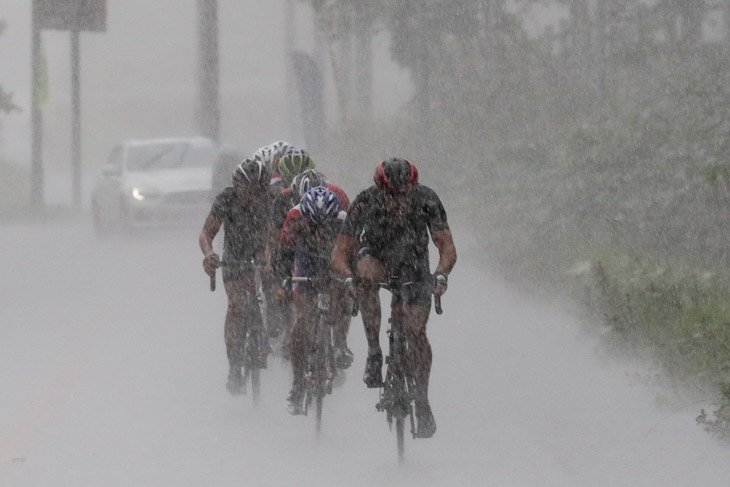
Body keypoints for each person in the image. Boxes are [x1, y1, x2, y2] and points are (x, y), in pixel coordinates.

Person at [330, 158, 457, 438]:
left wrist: (441, 274)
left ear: (413, 187)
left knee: (416, 332)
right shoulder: (366, 201)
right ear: (380, 190)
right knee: (366, 275)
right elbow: (340, 251)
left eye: (405, 194)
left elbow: (446, 245)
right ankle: (374, 351)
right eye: (392, 195)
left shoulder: (426, 199)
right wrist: (348, 278)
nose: (399, 201)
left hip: (413, 264)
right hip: (376, 257)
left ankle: (422, 400)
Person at [273, 186, 351, 415]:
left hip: (335, 259)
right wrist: (283, 282)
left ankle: (339, 343)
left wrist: (351, 282)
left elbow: (354, 254)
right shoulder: (295, 217)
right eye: (313, 226)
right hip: (306, 261)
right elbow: (283, 255)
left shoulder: (344, 221)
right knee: (303, 320)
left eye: (323, 226)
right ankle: (297, 384)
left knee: (342, 298)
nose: (318, 231)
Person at [199, 158, 271, 395]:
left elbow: (280, 232)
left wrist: (269, 257)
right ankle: (234, 367)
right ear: (238, 187)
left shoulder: (271, 199)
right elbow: (206, 233)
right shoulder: (226, 199)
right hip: (235, 257)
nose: (254, 196)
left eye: (259, 190)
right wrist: (209, 254)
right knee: (237, 306)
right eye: (250, 191)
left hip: (263, 252)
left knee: (276, 290)